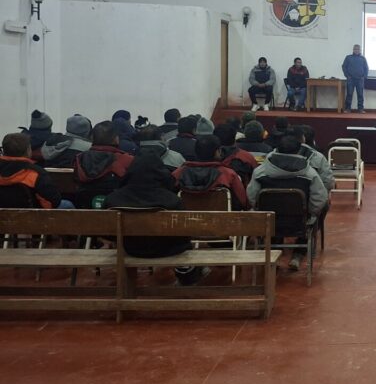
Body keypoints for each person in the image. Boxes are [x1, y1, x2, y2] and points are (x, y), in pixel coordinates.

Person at [103, 151, 204, 286]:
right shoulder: (172, 200)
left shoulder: (113, 199)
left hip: (131, 249)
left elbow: (107, 234)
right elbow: (184, 233)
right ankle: (187, 274)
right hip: (168, 251)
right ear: (161, 173)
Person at [247, 134, 328, 271]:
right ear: (299, 150)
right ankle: (298, 254)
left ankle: (273, 253)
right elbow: (320, 198)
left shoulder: (260, 172)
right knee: (320, 210)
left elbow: (252, 196)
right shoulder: (309, 173)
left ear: (277, 149)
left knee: (274, 220)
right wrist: (310, 213)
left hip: (268, 222)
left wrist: (259, 210)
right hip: (299, 223)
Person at [174, 135, 248, 210]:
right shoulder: (228, 174)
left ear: (196, 151)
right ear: (217, 152)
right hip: (221, 217)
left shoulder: (179, 173)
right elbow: (242, 201)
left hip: (185, 217)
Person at [74, 121, 135, 207]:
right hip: (117, 207)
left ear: (92, 138)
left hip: (83, 206)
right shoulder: (127, 159)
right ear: (116, 139)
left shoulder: (80, 158)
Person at [0, 132, 66, 208]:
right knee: (67, 204)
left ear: (4, 150)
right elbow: (53, 202)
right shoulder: (36, 173)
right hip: (31, 214)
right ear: (28, 150)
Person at [342, 44, 369, 113]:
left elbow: (366, 68)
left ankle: (360, 109)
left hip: (360, 79)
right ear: (353, 50)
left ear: (360, 50)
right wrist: (347, 75)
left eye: (358, 49)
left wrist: (364, 77)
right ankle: (347, 109)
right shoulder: (348, 57)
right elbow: (344, 66)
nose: (356, 50)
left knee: (360, 95)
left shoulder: (363, 58)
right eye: (355, 49)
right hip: (350, 79)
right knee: (349, 94)